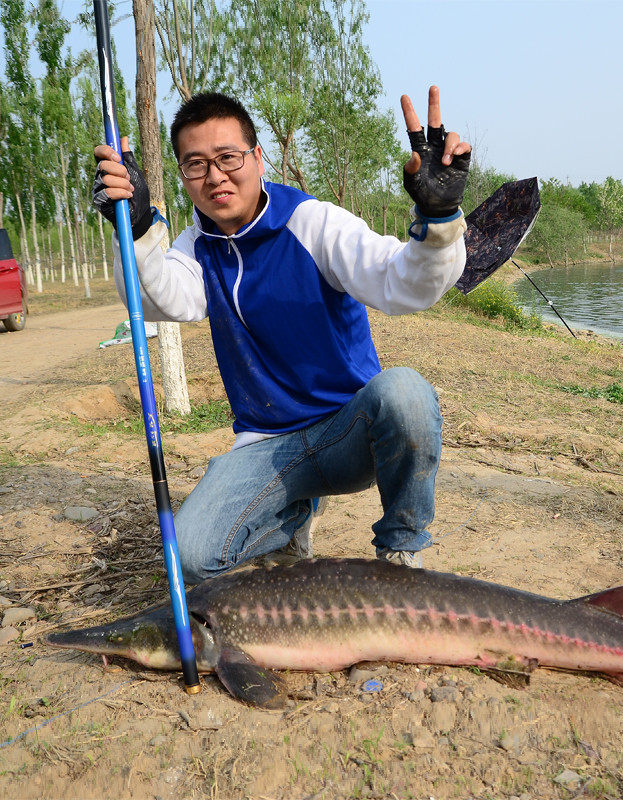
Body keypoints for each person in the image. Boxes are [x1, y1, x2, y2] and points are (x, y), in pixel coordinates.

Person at [93, 87, 471, 583]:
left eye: (228, 157)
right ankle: (291, 519)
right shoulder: (195, 249)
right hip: (265, 446)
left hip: (346, 434)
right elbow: (161, 299)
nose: (215, 176)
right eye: (196, 164)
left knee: (405, 394)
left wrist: (439, 220)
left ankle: (402, 550)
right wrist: (137, 226)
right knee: (191, 556)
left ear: (259, 157)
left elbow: (403, 285)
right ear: (183, 174)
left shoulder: (313, 224)